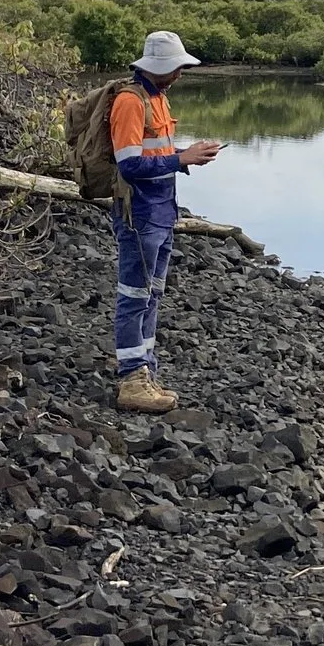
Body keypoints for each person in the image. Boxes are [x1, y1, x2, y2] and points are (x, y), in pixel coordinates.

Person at [108, 29, 221, 414]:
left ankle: (146, 372)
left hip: (162, 213)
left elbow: (157, 152)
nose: (181, 73)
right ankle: (131, 379)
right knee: (134, 295)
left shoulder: (158, 97)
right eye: (177, 67)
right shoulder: (130, 101)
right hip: (139, 215)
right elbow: (130, 163)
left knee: (152, 295)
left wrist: (188, 156)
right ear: (161, 67)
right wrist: (181, 159)